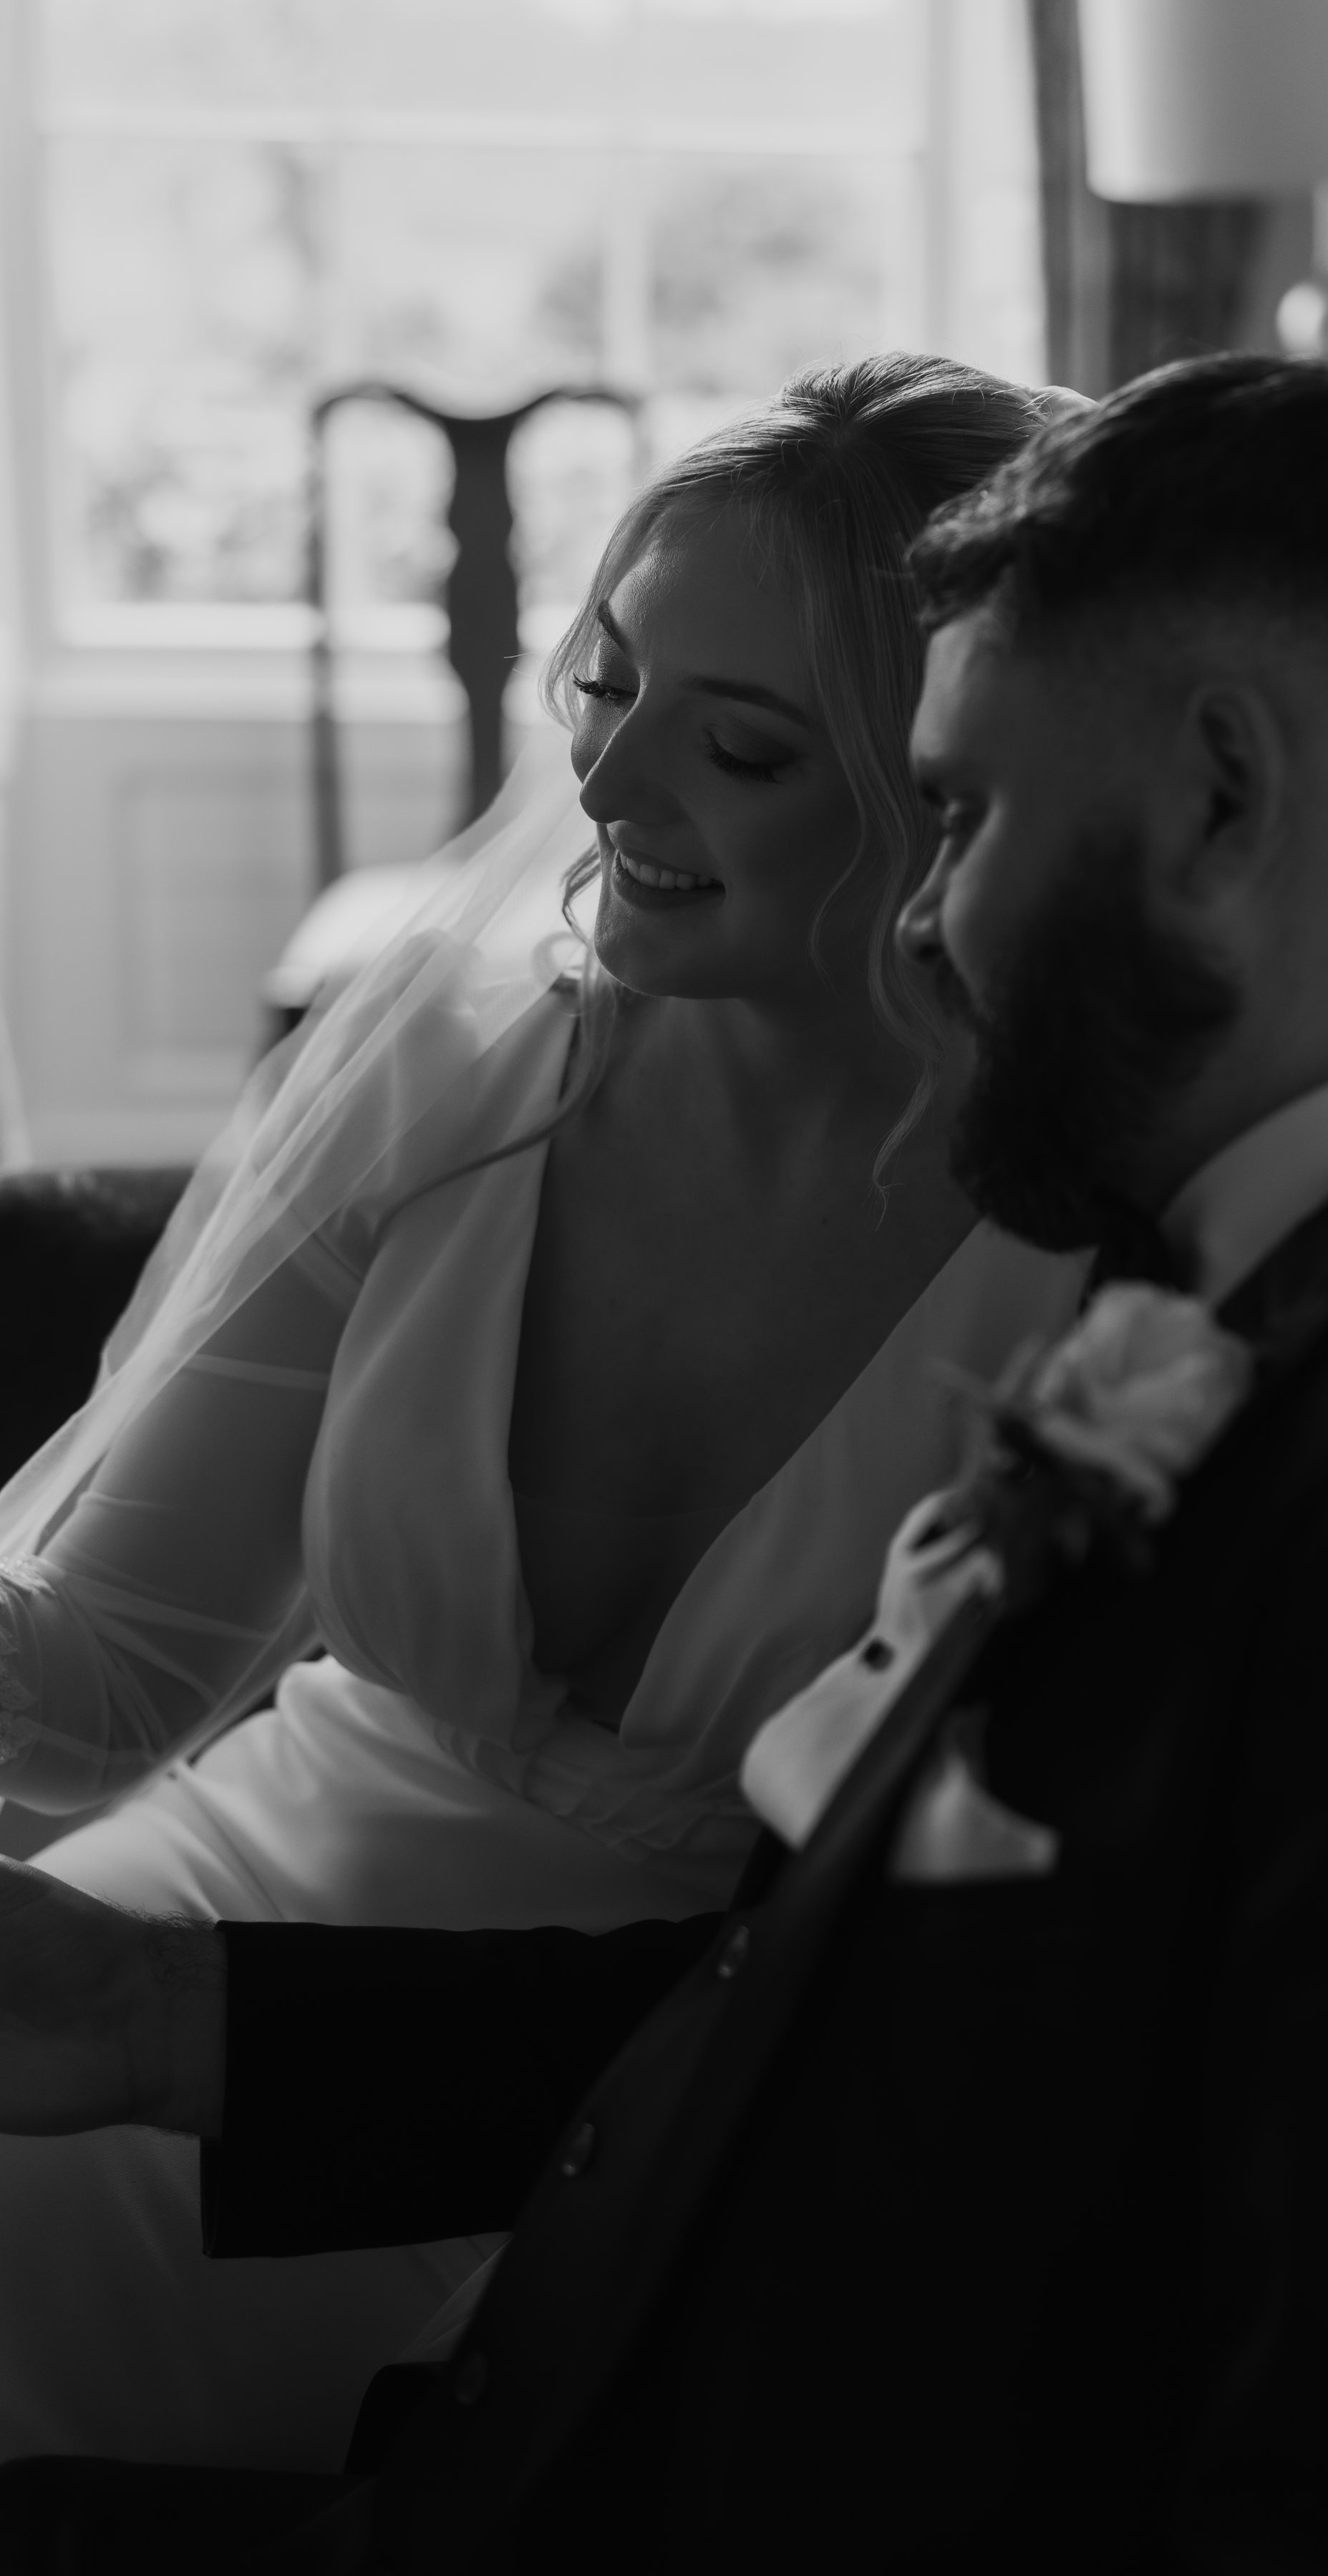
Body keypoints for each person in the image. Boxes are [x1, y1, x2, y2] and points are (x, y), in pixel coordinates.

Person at [5, 351, 1328, 2573]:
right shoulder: (1286, 1296)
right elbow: (845, 2007)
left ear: (1217, 801)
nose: (924, 924)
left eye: (957, 816)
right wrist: (165, 2014)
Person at [0, 354, 1088, 2472]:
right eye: (605, 690)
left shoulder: (1105, 1256)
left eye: (739, 743)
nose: (609, 790)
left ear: (945, 781)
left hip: (685, 2116)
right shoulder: (453, 1087)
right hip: (204, 1927)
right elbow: (107, 1677)